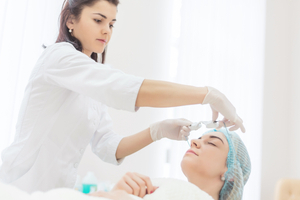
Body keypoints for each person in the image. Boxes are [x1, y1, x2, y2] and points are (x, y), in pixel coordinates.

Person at [0, 0, 245, 194]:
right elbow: (123, 88)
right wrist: (207, 94)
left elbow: (108, 147)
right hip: (18, 185)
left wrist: (157, 131)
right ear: (70, 20)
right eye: (98, 20)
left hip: (57, 191)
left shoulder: (91, 87)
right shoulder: (59, 58)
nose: (106, 30)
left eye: (111, 24)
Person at [90, 128, 251, 200]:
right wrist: (116, 192)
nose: (194, 141)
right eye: (199, 138)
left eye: (212, 143)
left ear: (230, 173)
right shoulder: (163, 187)